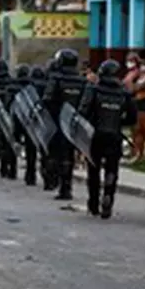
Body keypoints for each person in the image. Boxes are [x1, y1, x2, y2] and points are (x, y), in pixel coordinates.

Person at [78, 60, 135, 219]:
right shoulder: (124, 93)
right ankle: (109, 193)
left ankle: (94, 203)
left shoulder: (93, 90)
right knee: (112, 168)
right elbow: (132, 117)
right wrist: (118, 122)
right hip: (115, 135)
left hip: (95, 135)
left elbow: (83, 110)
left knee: (93, 170)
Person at [42, 49, 88, 201]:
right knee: (68, 155)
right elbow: (86, 103)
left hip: (56, 122)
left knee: (53, 153)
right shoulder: (82, 80)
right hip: (73, 124)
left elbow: (47, 99)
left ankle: (53, 179)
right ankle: (66, 187)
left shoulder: (55, 78)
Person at [28, 65, 53, 188]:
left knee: (31, 148)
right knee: (48, 150)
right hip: (51, 122)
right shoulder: (48, 84)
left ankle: (30, 174)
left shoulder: (30, 87)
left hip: (36, 119)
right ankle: (52, 178)